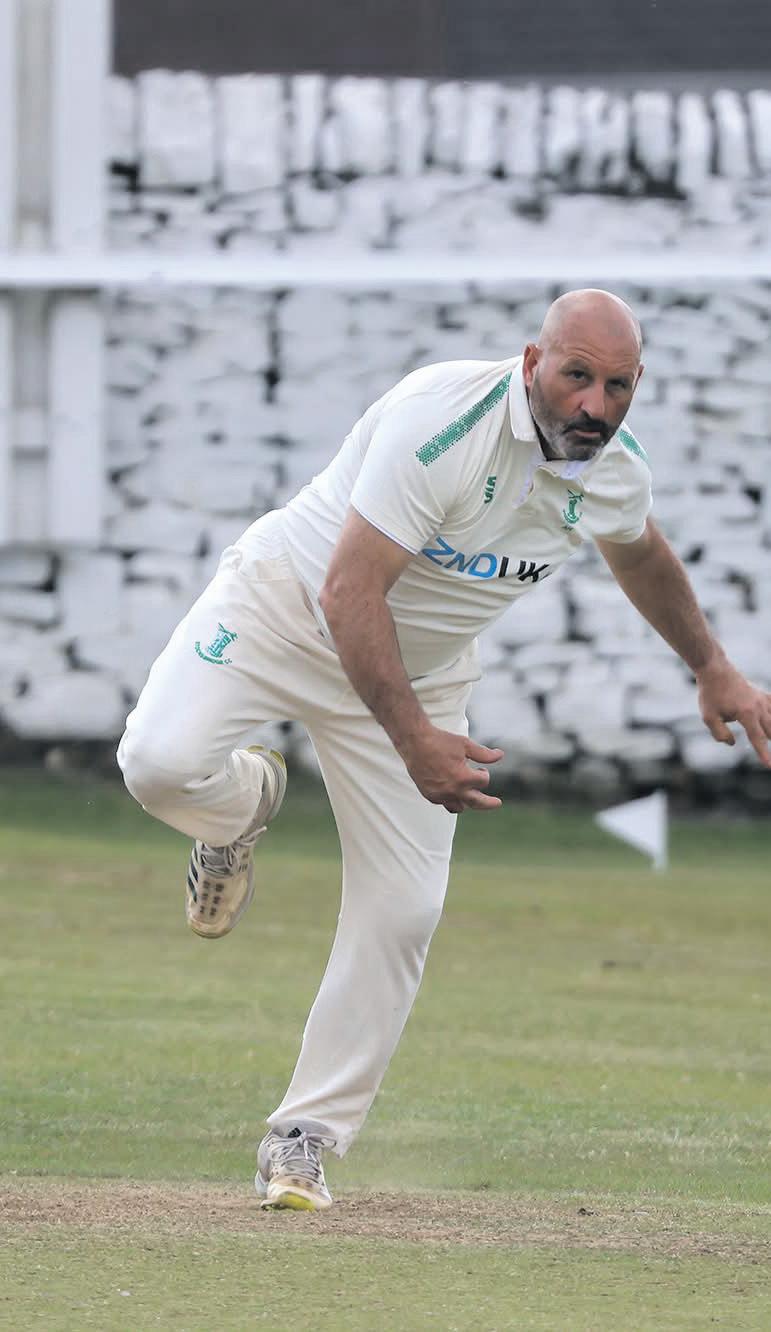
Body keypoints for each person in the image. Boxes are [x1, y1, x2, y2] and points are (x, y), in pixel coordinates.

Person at [117, 288, 771, 1211]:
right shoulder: (441, 422)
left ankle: (303, 1137)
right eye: (576, 377)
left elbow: (639, 553)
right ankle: (235, 813)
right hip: (281, 614)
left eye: (617, 386)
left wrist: (713, 668)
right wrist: (415, 742)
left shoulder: (612, 470)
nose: (593, 405)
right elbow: (348, 592)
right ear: (532, 362)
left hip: (415, 678)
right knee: (155, 764)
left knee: (403, 910)